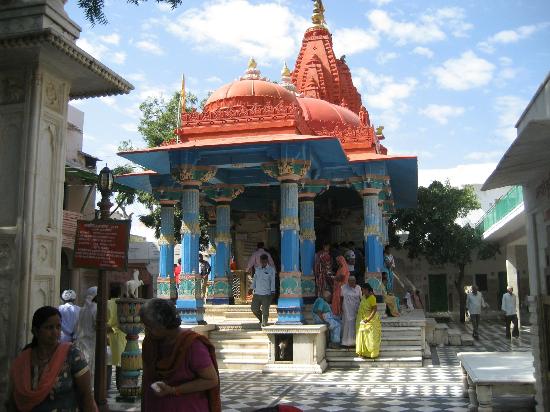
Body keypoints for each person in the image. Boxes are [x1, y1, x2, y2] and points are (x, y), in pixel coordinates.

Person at [7, 306, 96, 411]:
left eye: (58, 327)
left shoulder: (72, 355)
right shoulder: (24, 359)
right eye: (49, 327)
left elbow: (86, 396)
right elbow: (14, 399)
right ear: (35, 331)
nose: (55, 332)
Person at [141, 298, 221, 412]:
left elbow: (211, 380)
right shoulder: (150, 343)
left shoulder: (192, 345)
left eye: (150, 327)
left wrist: (173, 390)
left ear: (164, 325)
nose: (147, 331)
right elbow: (147, 378)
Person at [76, 286, 97, 382]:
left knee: (82, 369)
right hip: (90, 343)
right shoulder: (95, 308)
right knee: (89, 370)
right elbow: (97, 326)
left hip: (81, 343)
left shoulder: (82, 309)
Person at [107, 284, 126, 390]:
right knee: (120, 363)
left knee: (108, 362)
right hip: (121, 335)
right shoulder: (122, 304)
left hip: (107, 335)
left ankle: (106, 387)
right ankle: (120, 386)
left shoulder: (107, 303)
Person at [356, 283, 382, 359]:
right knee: (362, 337)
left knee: (370, 338)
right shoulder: (364, 297)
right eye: (362, 290)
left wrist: (368, 319)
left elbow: (374, 309)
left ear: (367, 289)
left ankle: (372, 354)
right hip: (362, 320)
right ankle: (363, 353)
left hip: (370, 321)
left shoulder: (372, 298)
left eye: (363, 290)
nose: (362, 291)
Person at [250, 254, 276, 327]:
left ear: (267, 261)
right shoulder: (257, 269)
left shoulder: (271, 270)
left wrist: (273, 291)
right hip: (257, 293)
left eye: (264, 260)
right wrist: (251, 288)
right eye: (262, 260)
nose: (263, 262)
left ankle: (264, 322)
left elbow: (272, 281)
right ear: (260, 261)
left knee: (265, 309)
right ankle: (261, 319)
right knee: (254, 308)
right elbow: (254, 279)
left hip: (266, 293)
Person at [340, 276, 362, 346]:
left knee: (355, 324)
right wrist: (341, 308)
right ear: (348, 281)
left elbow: (361, 298)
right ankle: (346, 342)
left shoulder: (358, 288)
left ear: (355, 281)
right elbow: (341, 298)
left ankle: (355, 342)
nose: (352, 282)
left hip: (356, 308)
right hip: (347, 308)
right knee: (347, 323)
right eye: (350, 281)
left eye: (353, 281)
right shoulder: (343, 287)